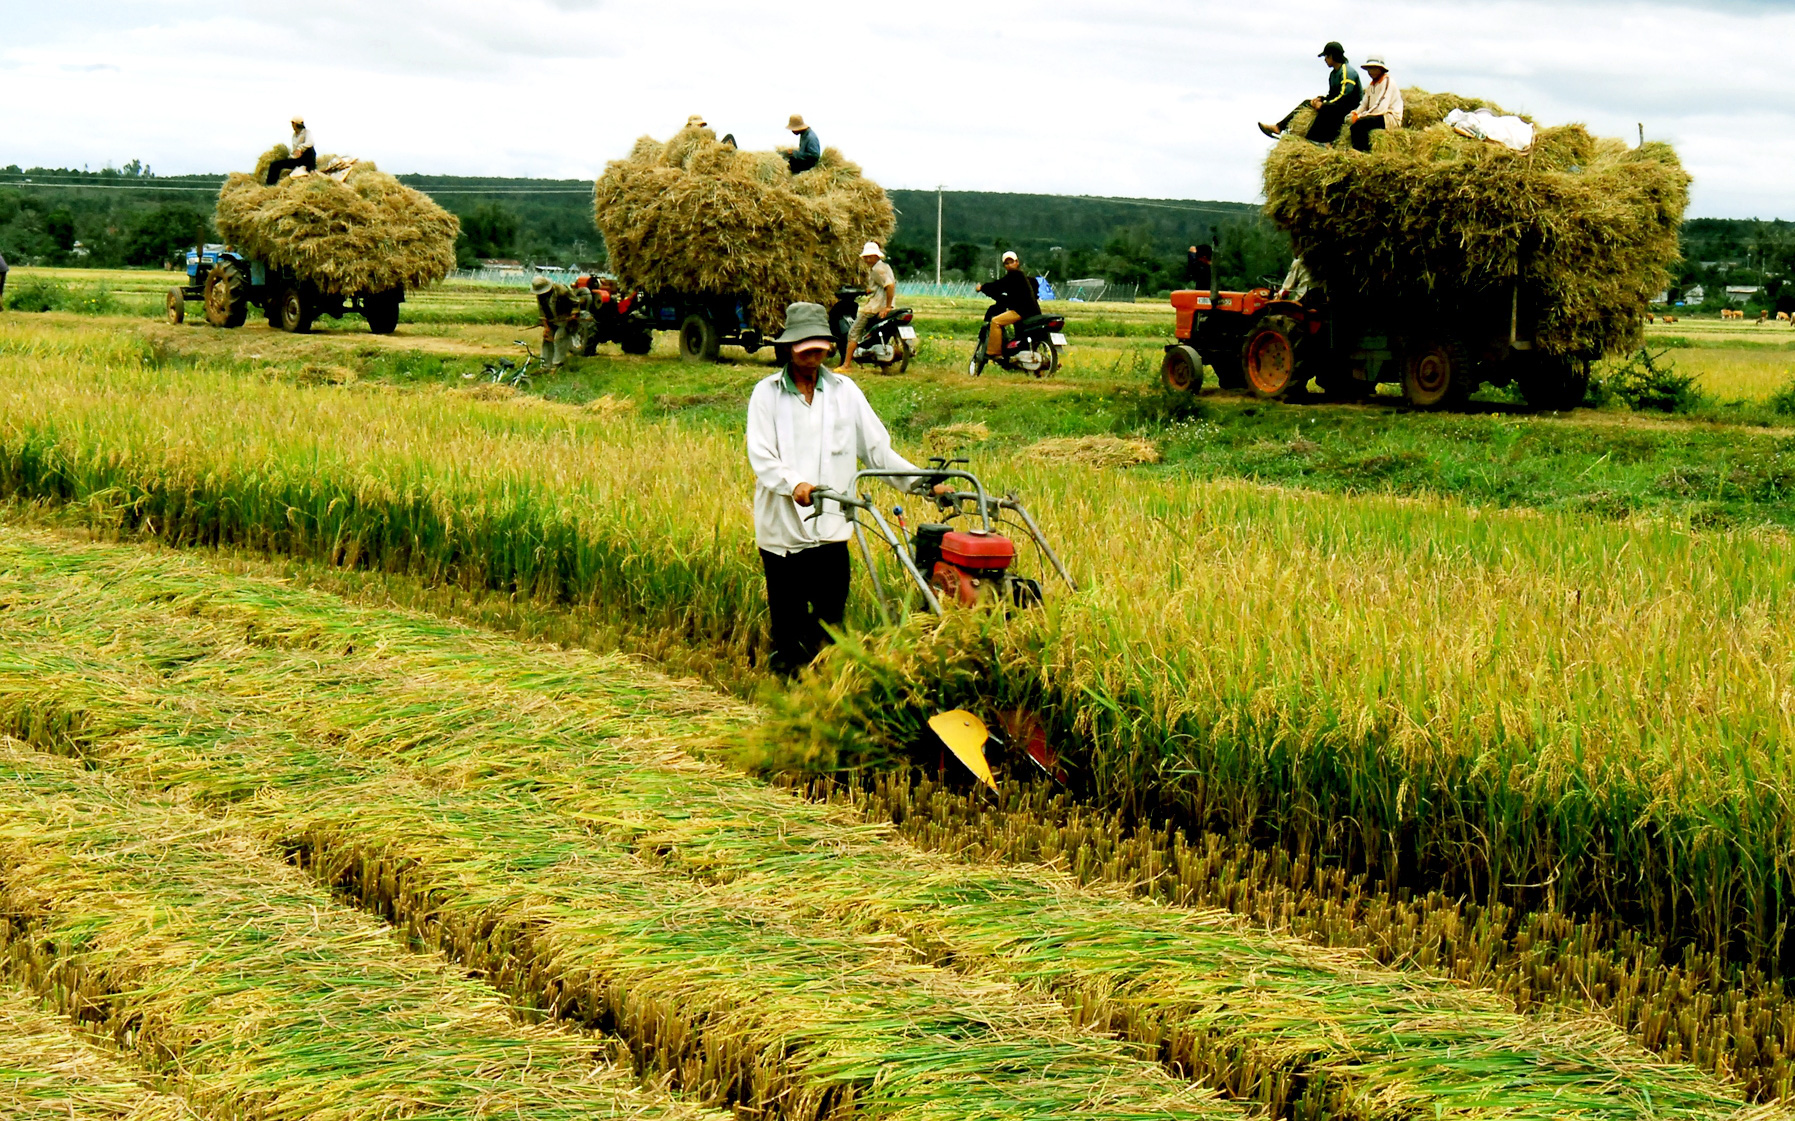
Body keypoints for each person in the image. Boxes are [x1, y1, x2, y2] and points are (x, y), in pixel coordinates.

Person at [745, 301, 942, 676]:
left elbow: (877, 450)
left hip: (833, 528)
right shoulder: (766, 394)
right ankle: (788, 692)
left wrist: (923, 484)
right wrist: (795, 485)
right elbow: (763, 457)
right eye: (805, 348)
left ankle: (826, 693)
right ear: (789, 348)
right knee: (789, 627)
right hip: (783, 534)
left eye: (820, 347)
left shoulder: (844, 391)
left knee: (830, 625)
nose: (813, 355)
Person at [1258, 42, 1361, 146]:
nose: (1325, 60)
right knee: (1307, 103)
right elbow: (1333, 95)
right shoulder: (1333, 73)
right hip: (1337, 105)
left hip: (1349, 108)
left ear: (1332, 56)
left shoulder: (1347, 72)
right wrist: (1321, 99)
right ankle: (1279, 127)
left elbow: (1344, 96)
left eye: (1326, 56)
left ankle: (1315, 140)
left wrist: (1324, 105)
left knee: (1324, 110)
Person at [975, 251, 1041, 367]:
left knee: (995, 322)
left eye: (1011, 262)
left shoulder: (1014, 275)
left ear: (1017, 262)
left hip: (1022, 311)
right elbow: (1006, 291)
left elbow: (998, 286)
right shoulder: (1025, 278)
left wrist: (982, 288)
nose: (1009, 265)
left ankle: (994, 353)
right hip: (1033, 312)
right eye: (1007, 263)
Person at [838, 241, 896, 372]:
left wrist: (887, 307)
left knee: (853, 332)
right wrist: (868, 291)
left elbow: (890, 286)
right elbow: (882, 286)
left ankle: (846, 365)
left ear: (877, 256)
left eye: (871, 256)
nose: (868, 259)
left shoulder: (877, 270)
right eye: (866, 257)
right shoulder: (885, 267)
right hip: (884, 304)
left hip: (874, 307)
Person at [1349, 55, 1404, 152]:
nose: (1371, 71)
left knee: (1360, 125)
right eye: (1369, 68)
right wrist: (1355, 113)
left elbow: (1380, 108)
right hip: (1376, 115)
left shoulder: (1388, 82)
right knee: (1353, 123)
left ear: (1381, 69)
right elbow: (1364, 103)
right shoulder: (1371, 85)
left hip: (1389, 118)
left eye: (1374, 68)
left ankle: (1362, 152)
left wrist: (1360, 116)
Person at [531, 275, 579, 370]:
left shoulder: (562, 290)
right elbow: (542, 311)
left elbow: (575, 302)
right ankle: (545, 366)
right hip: (552, 320)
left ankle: (557, 365)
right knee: (547, 340)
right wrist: (546, 327)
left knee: (559, 338)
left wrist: (574, 314)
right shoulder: (540, 296)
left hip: (565, 319)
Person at [264, 116, 318, 184]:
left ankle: (311, 168)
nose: (292, 126)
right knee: (275, 164)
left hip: (307, 159)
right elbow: (295, 151)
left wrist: (300, 148)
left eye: (293, 124)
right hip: (298, 159)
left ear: (297, 124)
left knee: (309, 149)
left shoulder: (306, 132)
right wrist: (292, 156)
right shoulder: (294, 135)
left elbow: (310, 142)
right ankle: (270, 184)